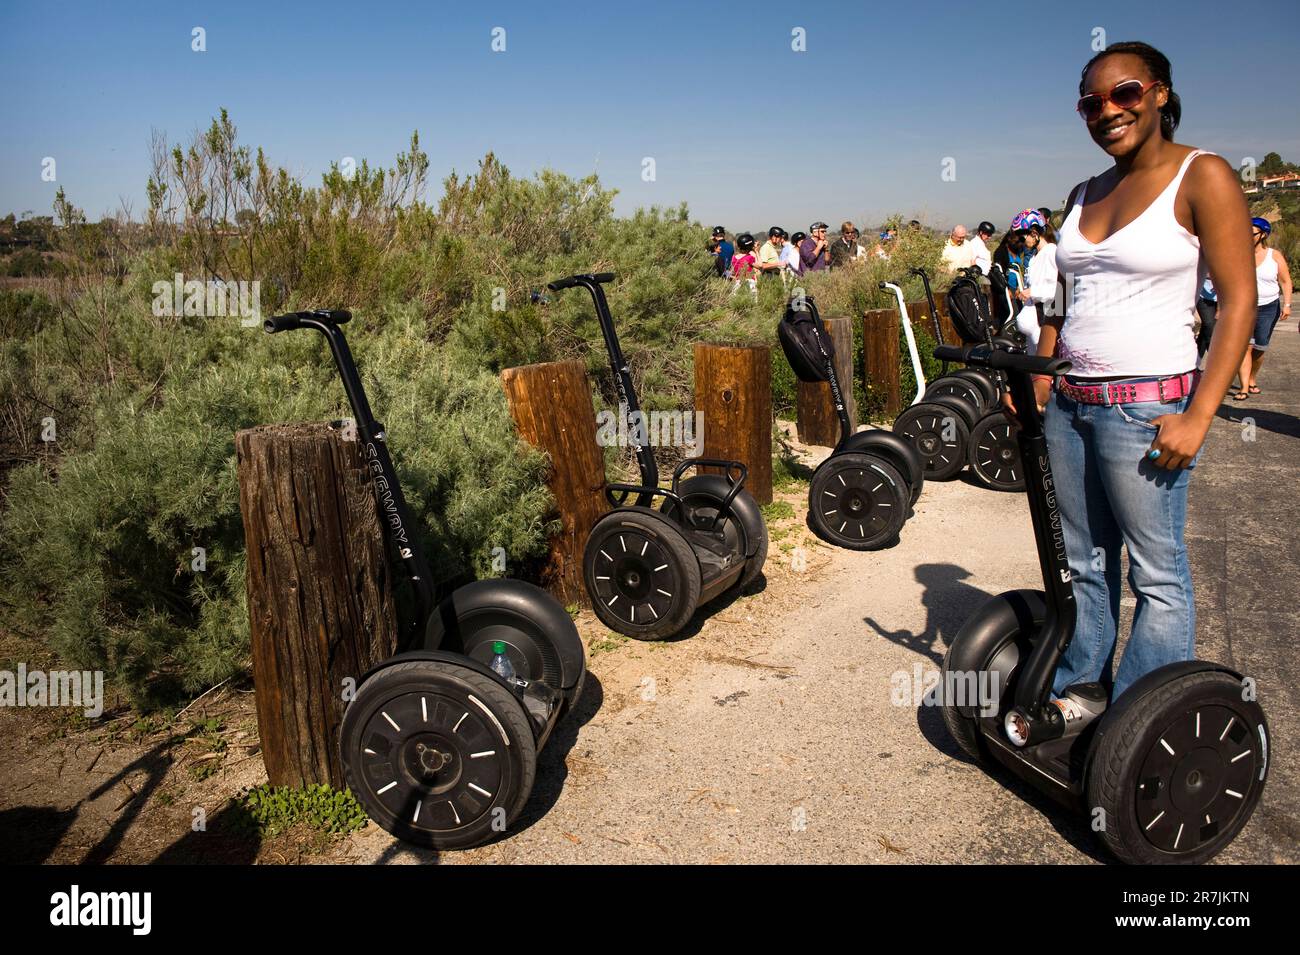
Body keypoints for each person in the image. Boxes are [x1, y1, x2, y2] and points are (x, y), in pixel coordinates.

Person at [1022, 41, 1256, 701]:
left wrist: (1201, 414)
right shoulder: (1083, 191)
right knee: (1083, 565)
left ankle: (1138, 719)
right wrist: (1044, 368)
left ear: (1158, 93)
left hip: (1146, 408)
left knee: (1156, 575)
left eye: (1124, 93)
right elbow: (1062, 290)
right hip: (1071, 403)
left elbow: (1238, 300)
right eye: (1091, 103)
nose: (1108, 111)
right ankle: (1082, 690)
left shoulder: (1202, 175)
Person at [1233, 216, 1292, 398]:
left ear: (1263, 235)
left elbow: (1285, 281)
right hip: (1245, 308)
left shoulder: (1274, 256)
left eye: (1252, 233)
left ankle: (1252, 377)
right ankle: (1243, 388)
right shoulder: (1240, 253)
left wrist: (1287, 304)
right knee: (1244, 347)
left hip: (1268, 308)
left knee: (1260, 348)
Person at [1012, 210, 1057, 351]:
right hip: (1035, 323)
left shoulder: (1051, 253)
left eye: (1022, 236)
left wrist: (1033, 291)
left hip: (1047, 320)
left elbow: (1062, 288)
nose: (1021, 241)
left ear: (1034, 233)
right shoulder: (1034, 257)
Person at [1195, 276, 1217, 370]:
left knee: (1205, 330)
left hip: (1225, 298)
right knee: (1210, 327)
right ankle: (1215, 366)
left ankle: (1195, 362)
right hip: (1204, 296)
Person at [730, 232, 758, 299]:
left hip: (737, 283)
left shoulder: (734, 257)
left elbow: (733, 272)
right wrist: (756, 251)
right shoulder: (749, 257)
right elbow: (760, 265)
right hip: (749, 282)